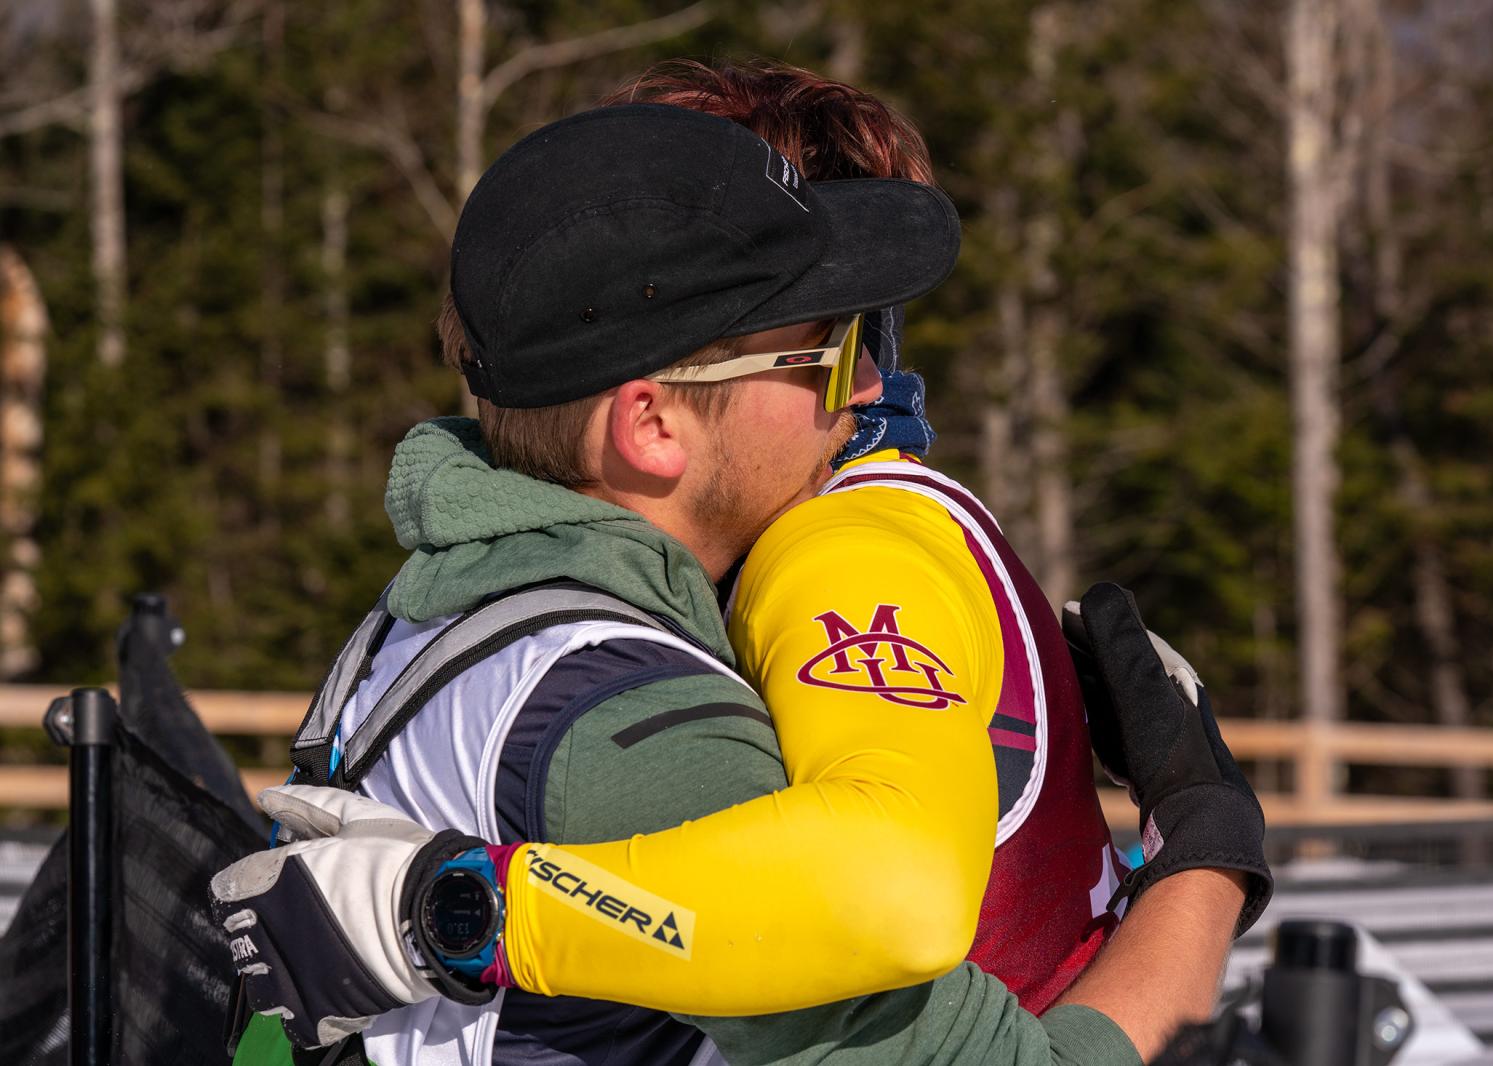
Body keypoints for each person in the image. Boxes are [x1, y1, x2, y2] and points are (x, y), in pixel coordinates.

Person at [214, 84, 1268, 1066]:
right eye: (825, 355)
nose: (867, 395)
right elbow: (922, 937)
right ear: (653, 423)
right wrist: (1207, 850)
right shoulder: (625, 720)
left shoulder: (448, 599)